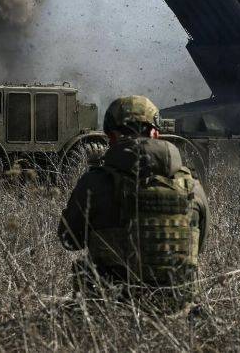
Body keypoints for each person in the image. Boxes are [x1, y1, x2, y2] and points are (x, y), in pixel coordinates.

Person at [57, 96, 209, 308]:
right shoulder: (194, 187)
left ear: (110, 137)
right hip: (176, 308)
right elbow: (198, 247)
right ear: (156, 133)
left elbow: (68, 240)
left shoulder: (94, 183)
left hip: (111, 309)